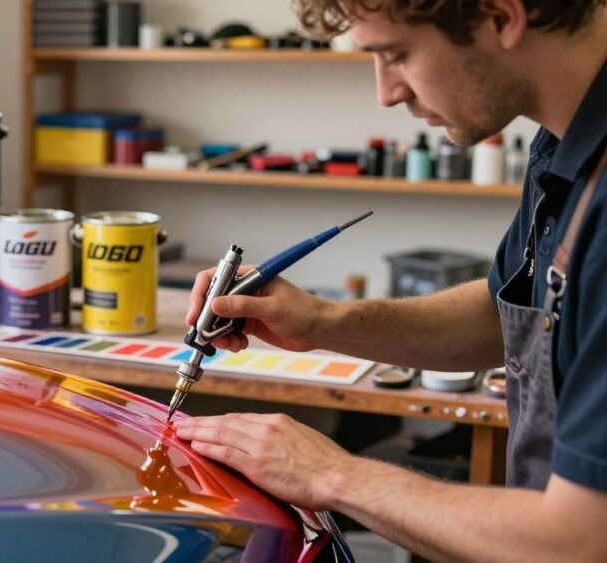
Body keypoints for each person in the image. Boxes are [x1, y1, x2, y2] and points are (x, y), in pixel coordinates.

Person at [173, 1, 607, 560]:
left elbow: (578, 541)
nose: (387, 92)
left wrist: (330, 476)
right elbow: (504, 317)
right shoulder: (563, 142)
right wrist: (320, 322)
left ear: (500, 17)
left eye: (396, 55)